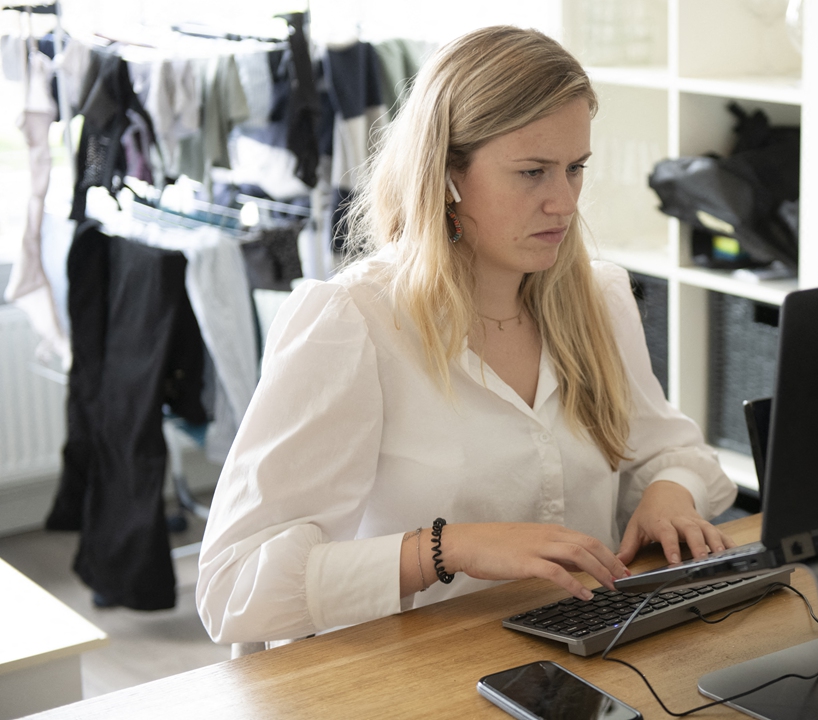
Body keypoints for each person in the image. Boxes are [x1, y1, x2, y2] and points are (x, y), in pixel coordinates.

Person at [196, 27, 737, 645]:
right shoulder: (352, 323)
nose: (564, 203)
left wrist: (670, 492)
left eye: (575, 169)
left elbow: (672, 452)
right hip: (409, 677)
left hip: (584, 655)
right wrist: (446, 549)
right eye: (532, 172)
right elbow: (232, 589)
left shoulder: (599, 298)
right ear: (446, 176)